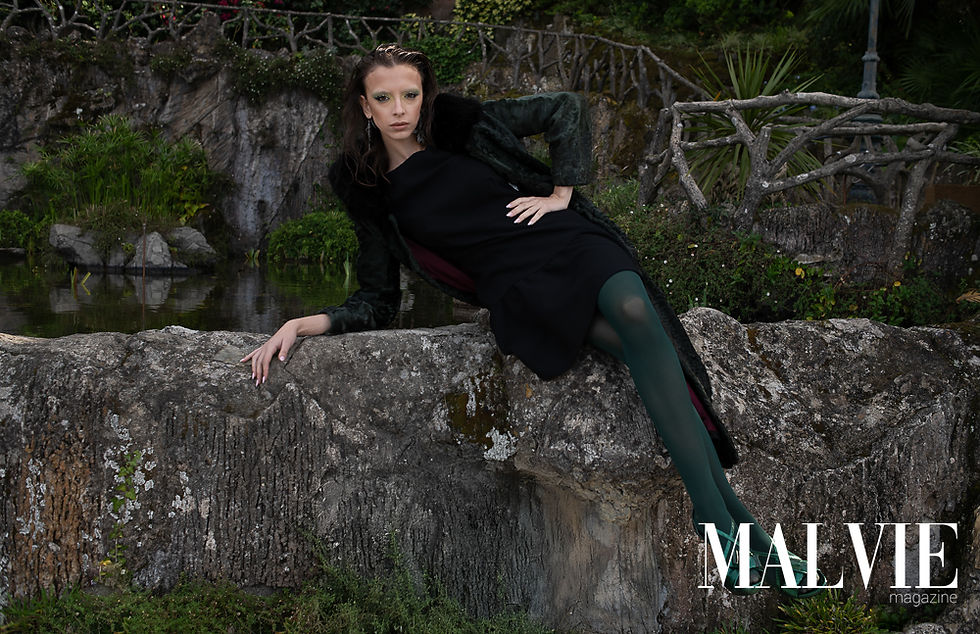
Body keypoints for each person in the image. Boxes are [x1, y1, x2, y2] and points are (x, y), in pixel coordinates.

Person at [242, 43, 825, 596]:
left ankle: (713, 524)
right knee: (646, 354)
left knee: (634, 314)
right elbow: (377, 298)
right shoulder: (366, 187)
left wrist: (561, 192)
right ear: (365, 106)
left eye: (410, 95)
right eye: (384, 98)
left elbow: (563, 108)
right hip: (519, 289)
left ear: (425, 96)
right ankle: (748, 538)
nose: (400, 109)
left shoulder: (458, 124)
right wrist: (301, 324)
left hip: (566, 239)